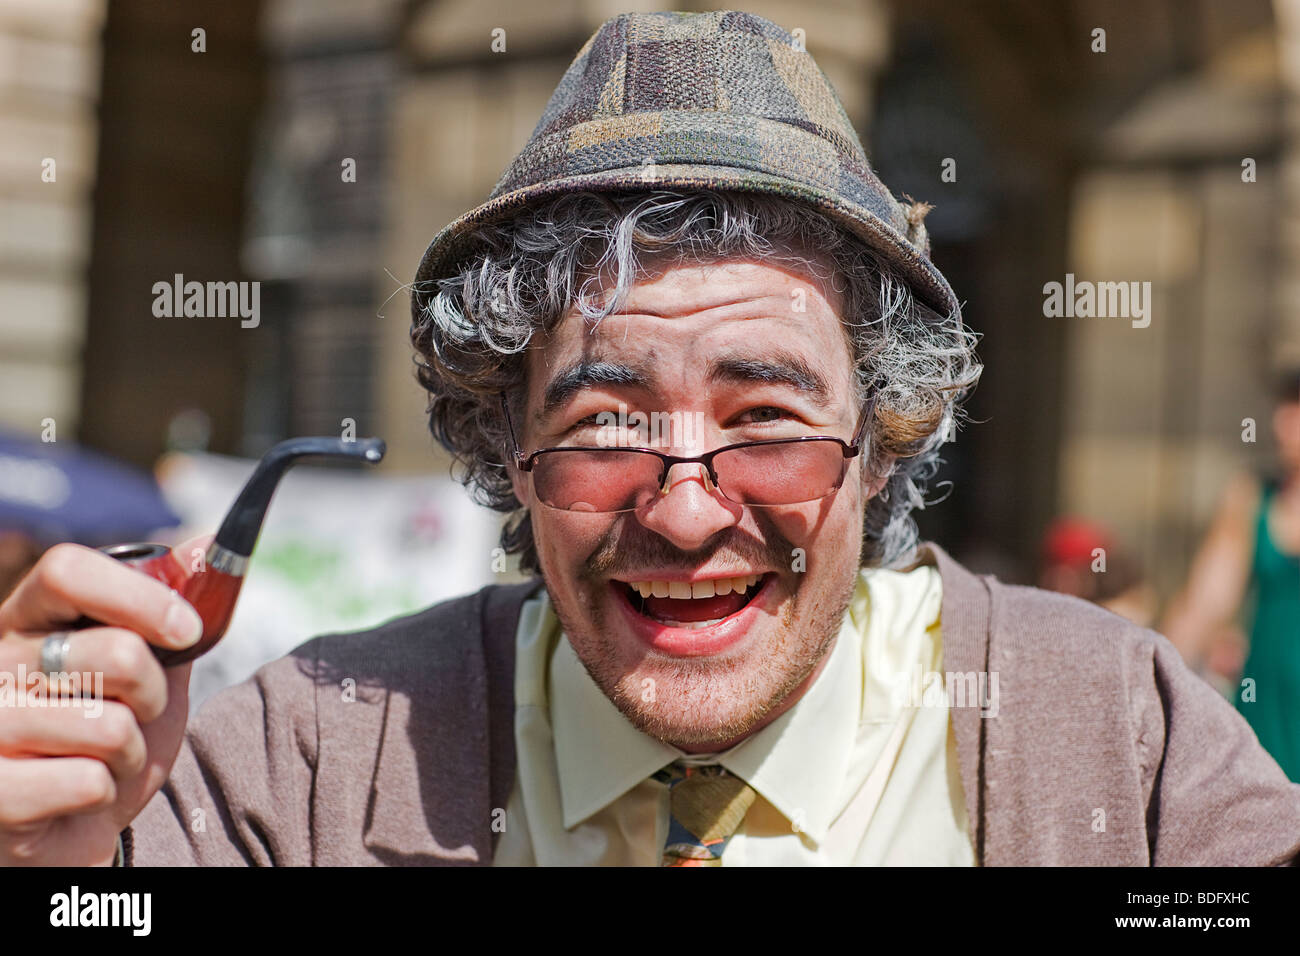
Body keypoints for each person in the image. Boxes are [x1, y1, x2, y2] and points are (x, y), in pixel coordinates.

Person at [2, 10, 1297, 868]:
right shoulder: (310, 755)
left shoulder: (1112, 740)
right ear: (506, 449)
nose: (685, 512)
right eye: (605, 423)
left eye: (769, 421)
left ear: (885, 441)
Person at [1162, 368, 1300, 781]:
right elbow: (1202, 607)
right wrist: (1155, 680)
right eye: (1282, 407)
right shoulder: (1252, 496)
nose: (1280, 423)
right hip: (1266, 708)